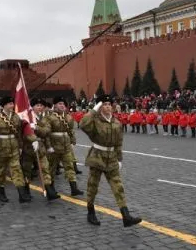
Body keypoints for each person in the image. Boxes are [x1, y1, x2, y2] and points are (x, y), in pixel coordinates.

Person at [79, 94, 142, 227]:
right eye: (104, 104)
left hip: (112, 157)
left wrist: (119, 159)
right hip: (97, 157)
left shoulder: (117, 122)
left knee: (118, 186)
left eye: (109, 104)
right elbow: (82, 125)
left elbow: (119, 142)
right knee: (92, 186)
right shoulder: (95, 121)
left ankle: (126, 216)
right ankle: (90, 212)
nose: (108, 107)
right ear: (100, 107)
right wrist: (93, 110)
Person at [0, 96, 31, 203]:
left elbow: (19, 134)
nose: (12, 105)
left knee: (17, 170)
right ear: (4, 105)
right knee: (1, 171)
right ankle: (1, 193)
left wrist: (20, 146)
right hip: (1, 148)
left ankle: (21, 194)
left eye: (12, 103)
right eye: (9, 104)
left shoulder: (16, 117)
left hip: (14, 147)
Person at [45, 97, 83, 196]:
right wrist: (48, 146)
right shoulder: (49, 118)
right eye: (60, 103)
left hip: (66, 146)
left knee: (69, 166)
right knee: (52, 168)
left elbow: (70, 131)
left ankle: (74, 188)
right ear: (55, 105)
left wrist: (72, 141)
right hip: (54, 146)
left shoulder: (68, 117)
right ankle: (51, 189)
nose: (62, 106)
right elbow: (46, 134)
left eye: (63, 104)